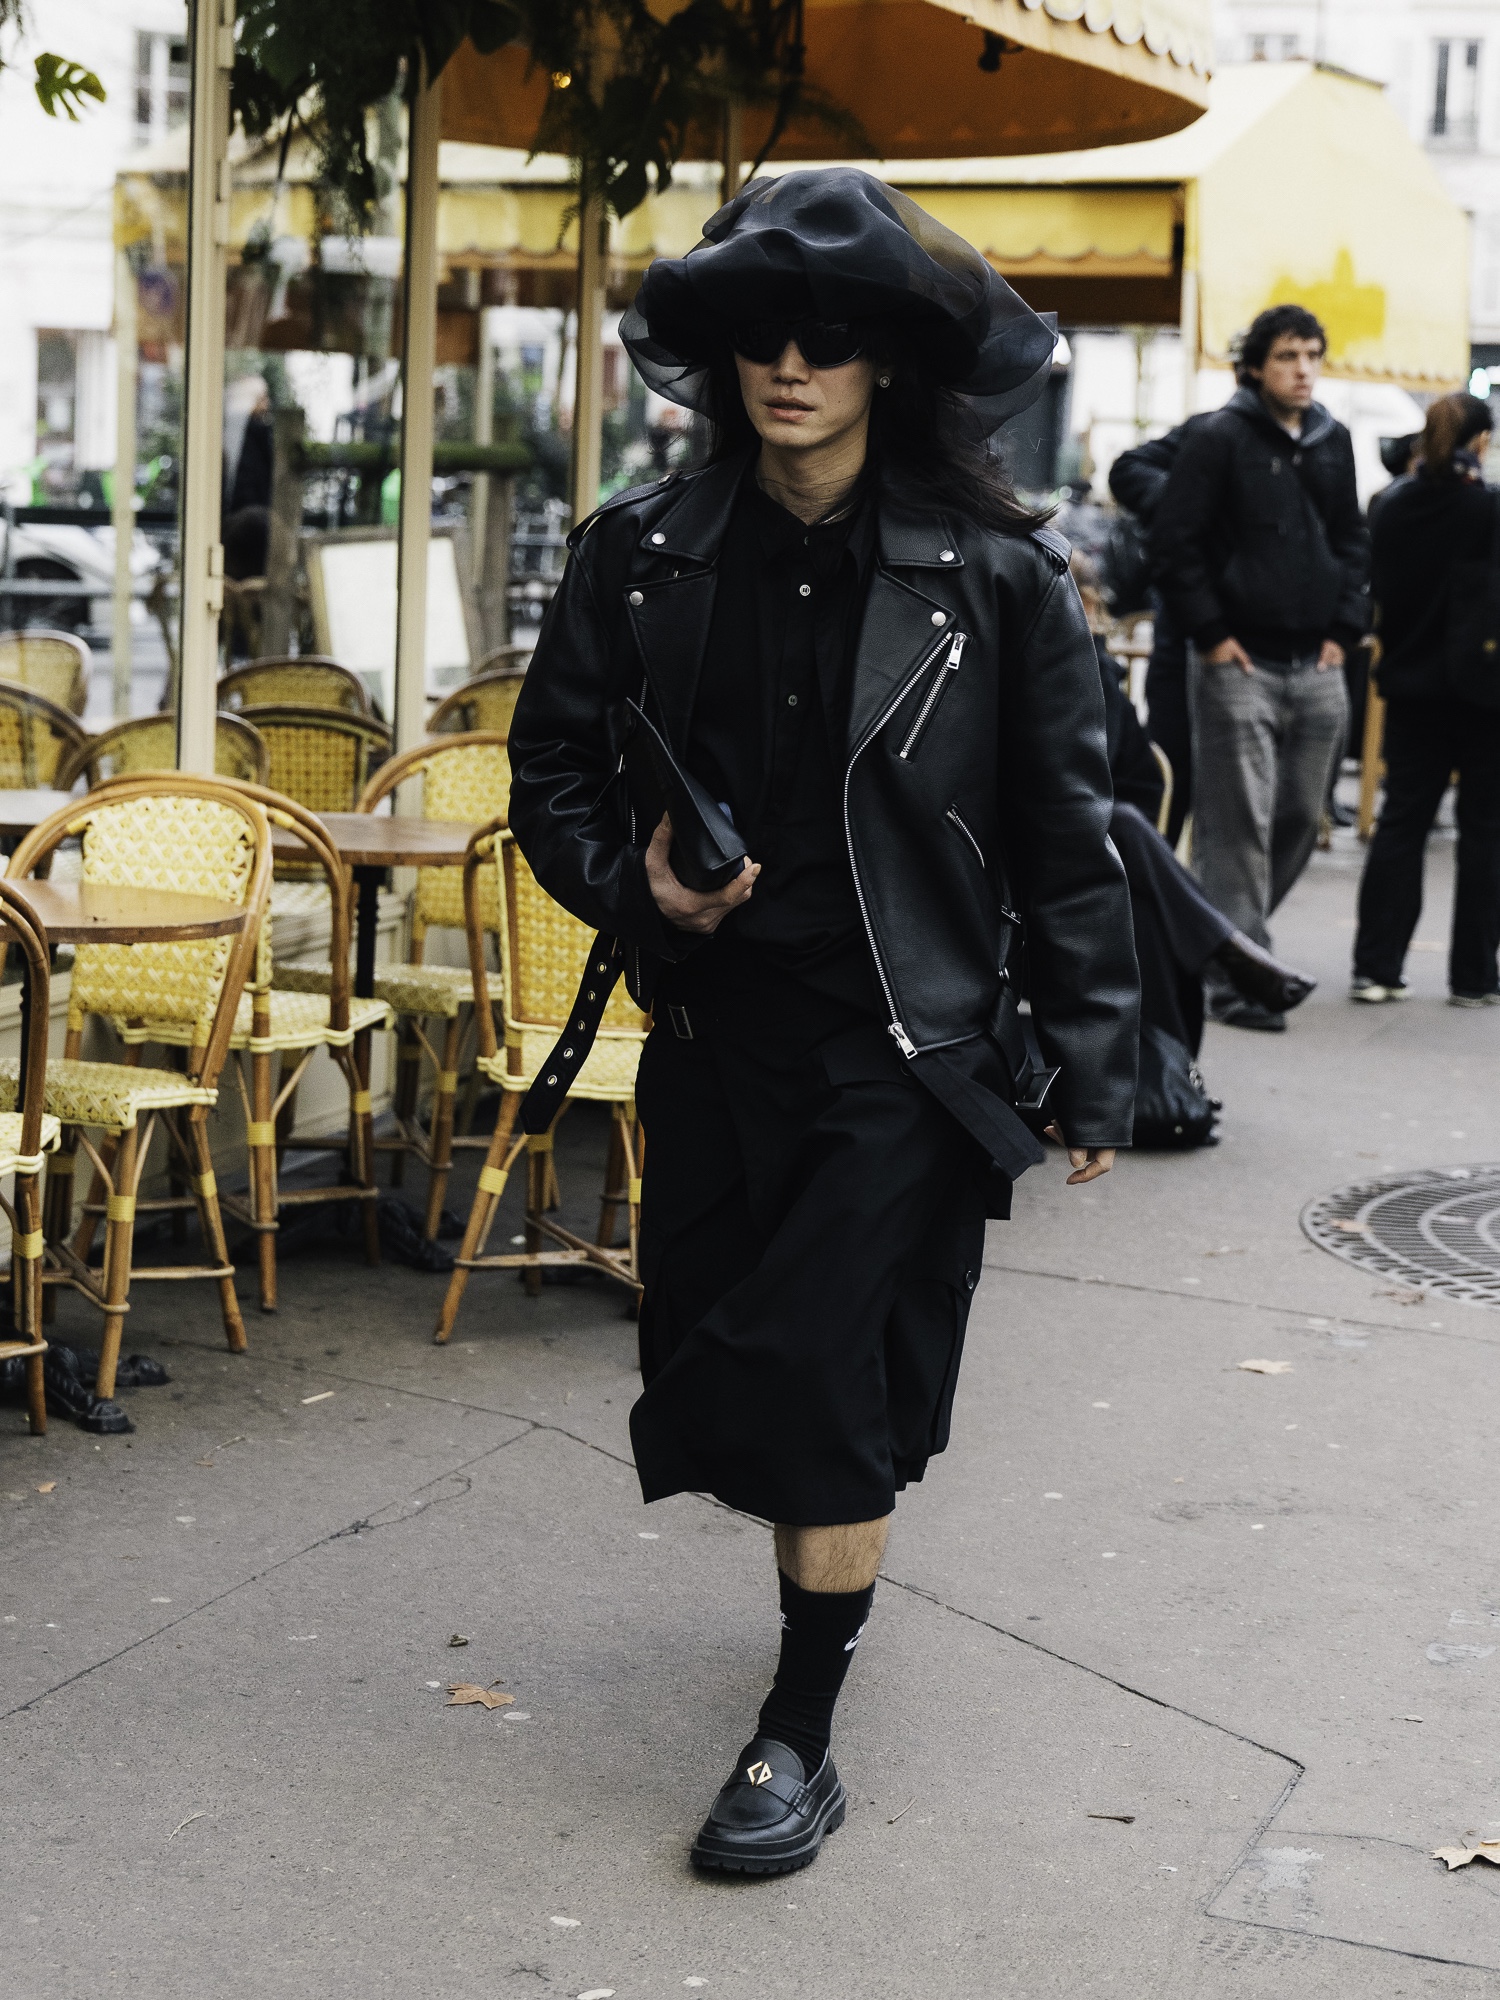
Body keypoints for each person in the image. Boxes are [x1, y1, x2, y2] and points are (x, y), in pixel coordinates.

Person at [505, 170, 1140, 1877]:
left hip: (907, 1050)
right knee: (726, 1367)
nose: (792, 365)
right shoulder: (643, 554)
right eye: (762, 334)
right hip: (716, 1039)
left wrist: (1097, 1062)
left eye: (832, 336)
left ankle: (796, 1733)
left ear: (889, 363)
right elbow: (549, 773)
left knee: (817, 1379)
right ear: (723, 357)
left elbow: (1066, 832)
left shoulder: (995, 577)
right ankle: (820, 1579)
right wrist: (639, 887)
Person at [1150, 304, 1370, 1031]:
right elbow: (1175, 542)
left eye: (1312, 355)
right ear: (1254, 367)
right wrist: (1212, 635)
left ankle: (1213, 942)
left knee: (1301, 813)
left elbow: (1352, 541)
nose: (1304, 370)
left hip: (1318, 660)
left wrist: (1345, 629)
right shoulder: (1219, 437)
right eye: (1287, 356)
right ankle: (1241, 981)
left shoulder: (1334, 440)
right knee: (1236, 827)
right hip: (1237, 660)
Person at [1071, 554, 1315, 1109]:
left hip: (1095, 845)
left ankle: (1172, 1081)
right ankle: (1227, 948)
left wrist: (1087, 665)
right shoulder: (1030, 667)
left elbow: (1129, 773)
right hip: (1037, 845)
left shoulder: (1093, 668)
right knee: (1125, 831)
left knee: (1144, 901)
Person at [1352, 391, 1500, 1005]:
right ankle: (1474, 978)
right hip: (1484, 693)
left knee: (1402, 822)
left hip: (1411, 683)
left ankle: (1376, 968)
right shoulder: (1488, 509)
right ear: (1481, 441)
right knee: (1485, 832)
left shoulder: (1391, 506)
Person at [1107, 415, 1213, 847]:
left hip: (1265, 645)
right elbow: (1127, 470)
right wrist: (1188, 499)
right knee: (1171, 771)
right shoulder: (1210, 431)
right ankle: (1158, 876)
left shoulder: (1319, 437)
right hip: (1187, 632)